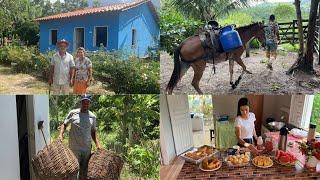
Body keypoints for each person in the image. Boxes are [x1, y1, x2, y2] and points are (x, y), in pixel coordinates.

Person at [59, 94, 101, 180]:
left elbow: (93, 131)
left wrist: (97, 144)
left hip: (86, 149)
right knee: (74, 171)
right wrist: (60, 135)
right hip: (74, 148)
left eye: (87, 103)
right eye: (84, 103)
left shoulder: (92, 116)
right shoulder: (73, 113)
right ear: (80, 103)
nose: (85, 105)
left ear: (89, 104)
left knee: (84, 171)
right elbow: (64, 124)